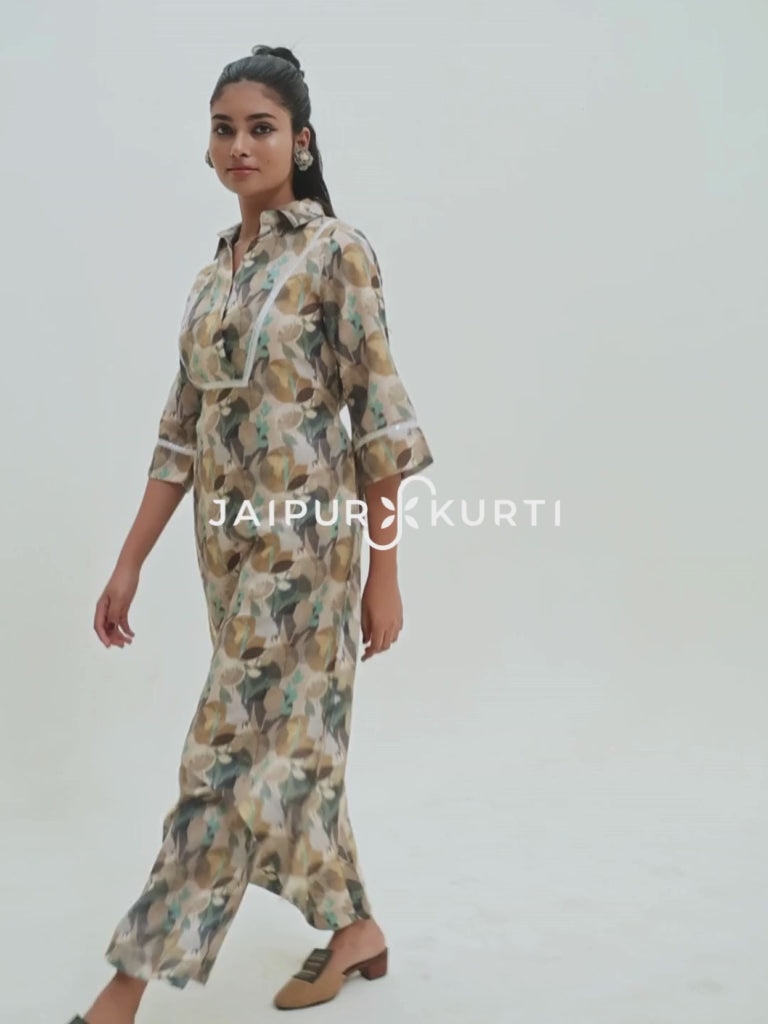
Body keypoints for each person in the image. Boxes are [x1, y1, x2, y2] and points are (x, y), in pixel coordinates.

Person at [67, 43, 434, 1023]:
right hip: (227, 564)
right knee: (291, 748)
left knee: (225, 757)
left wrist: (384, 574)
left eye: (260, 128)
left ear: (300, 143)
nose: (240, 145)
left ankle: (123, 991)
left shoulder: (335, 253)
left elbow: (381, 422)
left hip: (306, 562)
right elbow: (179, 435)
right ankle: (355, 929)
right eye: (224, 129)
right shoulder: (211, 279)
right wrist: (128, 561)